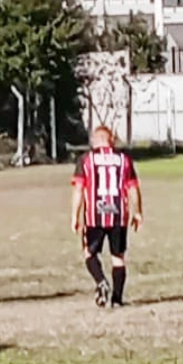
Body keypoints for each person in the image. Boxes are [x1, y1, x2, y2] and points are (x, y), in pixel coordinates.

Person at [71, 125, 143, 307]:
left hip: (95, 214)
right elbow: (133, 188)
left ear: (96, 140)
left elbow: (79, 189)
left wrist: (75, 215)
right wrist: (138, 212)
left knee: (89, 252)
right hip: (118, 214)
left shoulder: (86, 160)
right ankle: (117, 299)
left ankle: (101, 281)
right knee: (118, 257)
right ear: (111, 140)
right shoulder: (124, 160)